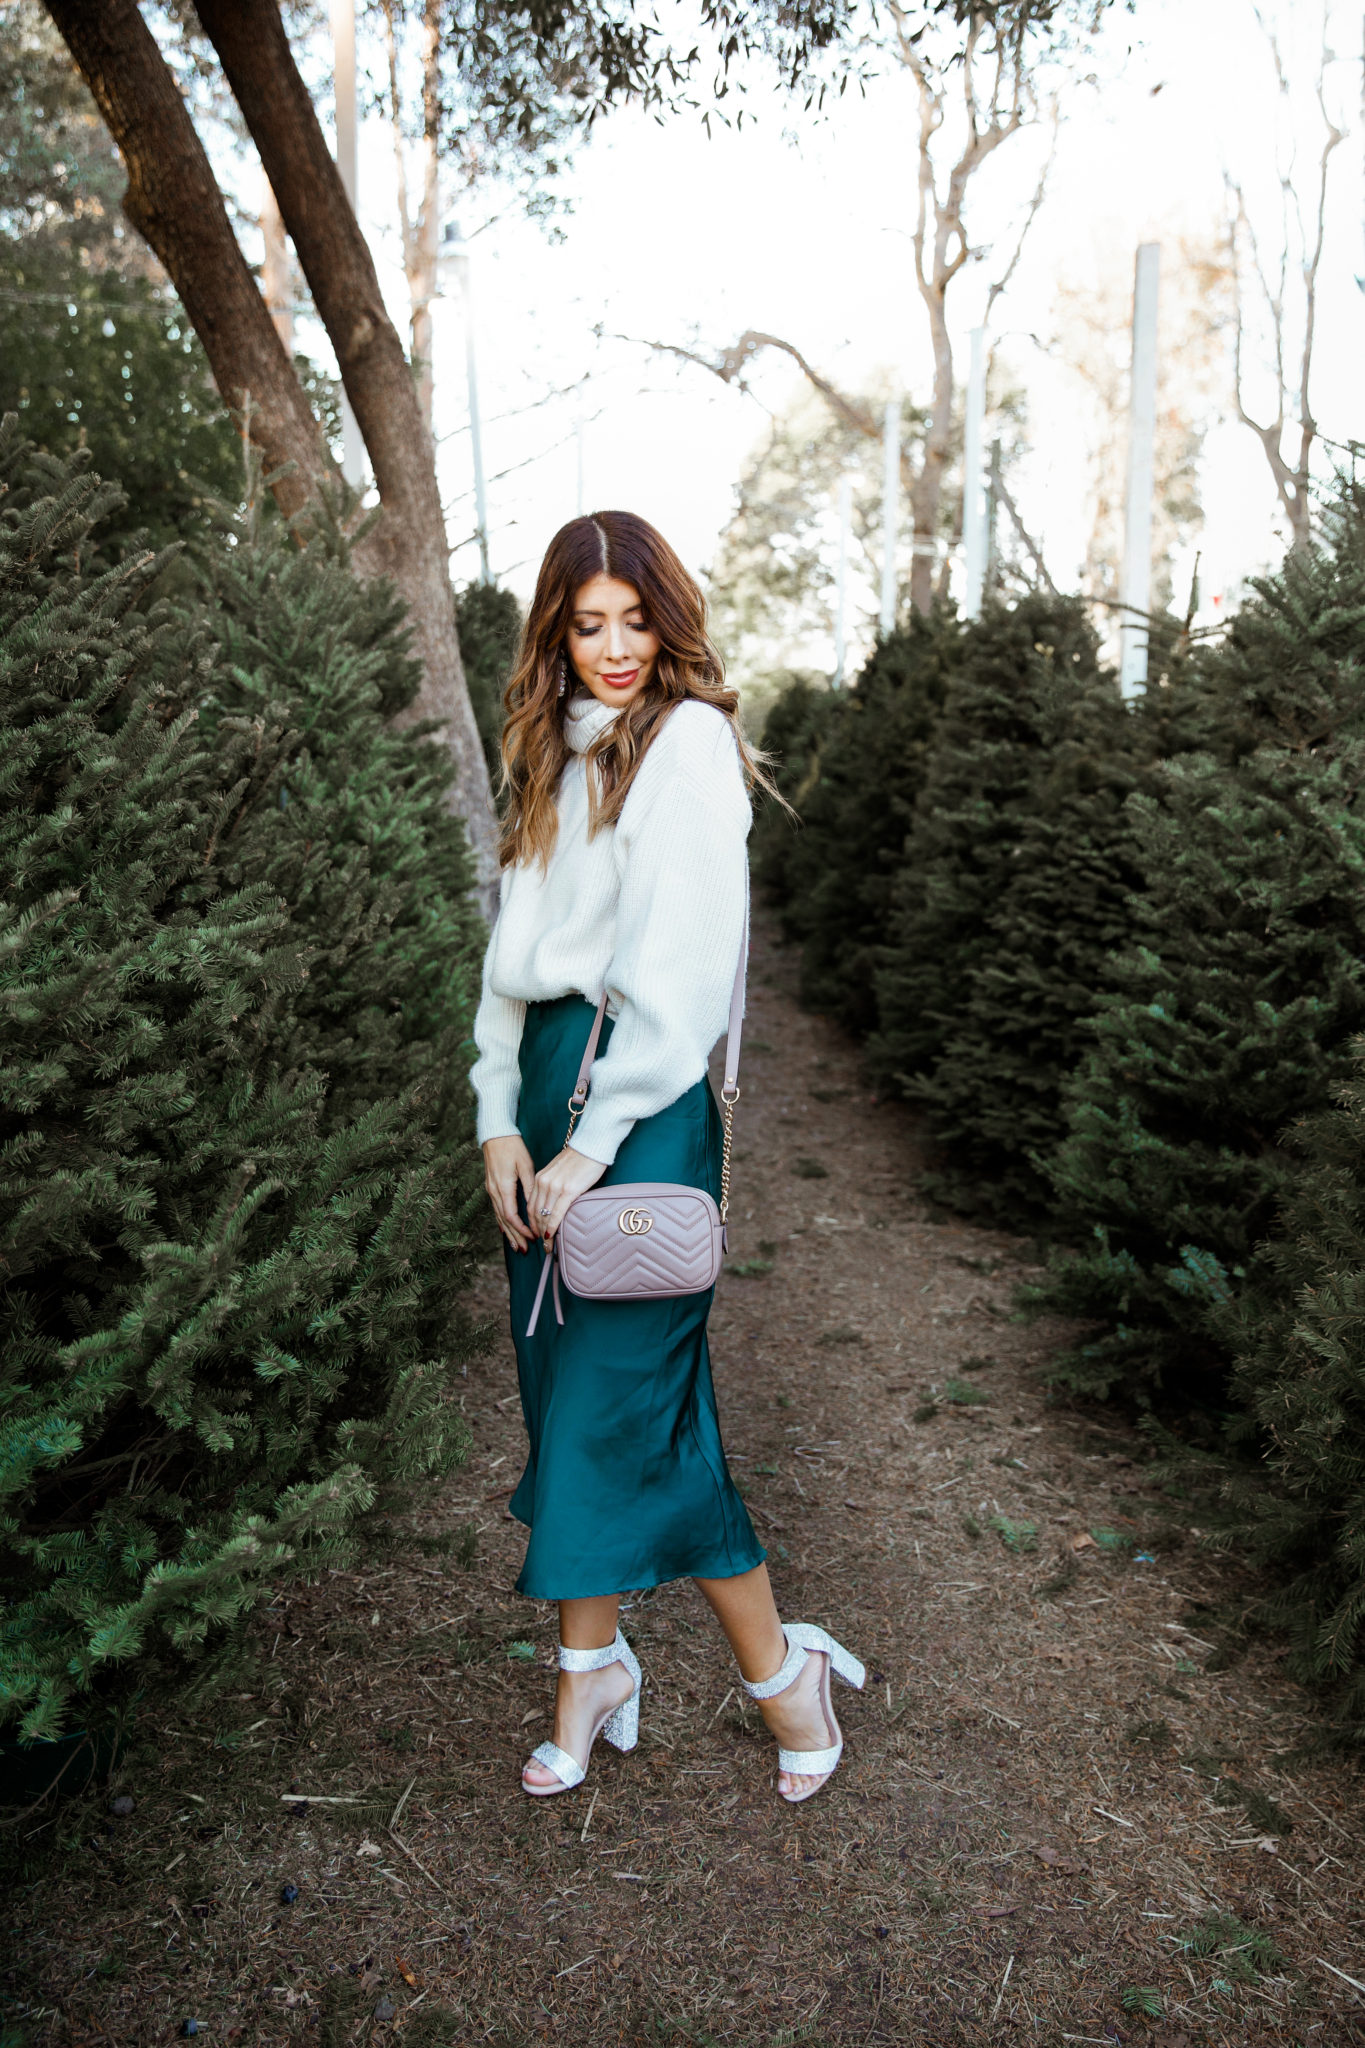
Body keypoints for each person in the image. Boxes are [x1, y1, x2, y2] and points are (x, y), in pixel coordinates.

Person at [473, 510, 864, 1805]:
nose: (616, 647)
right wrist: (494, 1120)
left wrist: (589, 1144)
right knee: (565, 1392)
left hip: (632, 1112)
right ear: (556, 635)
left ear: (668, 617)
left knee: (615, 1404)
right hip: (541, 1095)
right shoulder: (551, 746)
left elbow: (684, 981)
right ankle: (612, 1669)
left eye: (636, 619)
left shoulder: (685, 747)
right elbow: (508, 968)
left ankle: (756, 1670)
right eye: (588, 625)